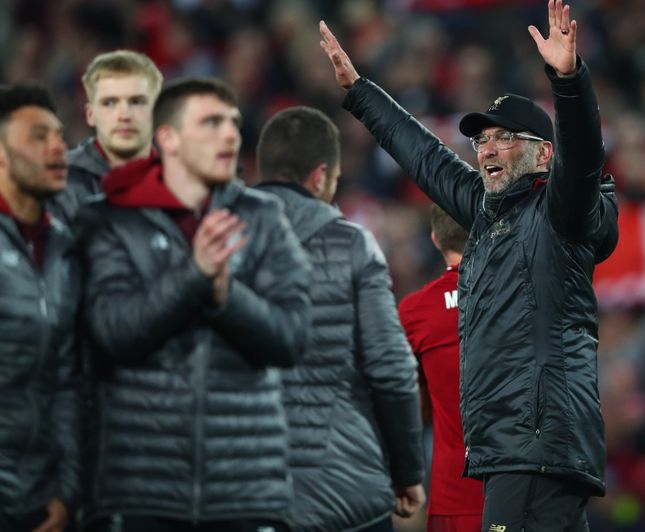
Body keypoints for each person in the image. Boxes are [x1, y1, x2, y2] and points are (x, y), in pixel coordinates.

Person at [319, 1, 618, 529]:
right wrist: (360, 92)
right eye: (481, 140)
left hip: (534, 445)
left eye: (505, 137)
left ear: (544, 154)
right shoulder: (487, 211)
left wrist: (568, 81)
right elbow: (425, 157)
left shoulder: (562, 211)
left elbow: (583, 156)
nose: (488, 149)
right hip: (522, 448)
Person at [78, 77, 313, 532]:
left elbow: (293, 338)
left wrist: (227, 296)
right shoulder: (110, 220)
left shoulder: (263, 217)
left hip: (245, 491)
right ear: (168, 138)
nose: (230, 135)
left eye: (233, 123)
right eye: (211, 123)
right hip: (140, 489)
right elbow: (112, 334)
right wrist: (194, 276)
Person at [255, 106, 426, 532]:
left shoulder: (217, 240)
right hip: (344, 492)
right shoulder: (353, 245)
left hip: (244, 490)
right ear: (320, 177)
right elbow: (391, 370)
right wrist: (406, 471)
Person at [0, 84, 78, 532]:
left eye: (59, 136)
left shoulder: (64, 249)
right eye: (38, 136)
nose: (57, 147)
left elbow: (67, 380)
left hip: (39, 503)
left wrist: (66, 492)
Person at [398, 205, 484, 532]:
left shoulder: (415, 311)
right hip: (527, 490)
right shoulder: (521, 293)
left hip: (455, 495)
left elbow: (405, 405)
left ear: (435, 239)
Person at [49, 49, 162, 224]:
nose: (124, 115)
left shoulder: (184, 185)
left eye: (136, 102)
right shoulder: (57, 181)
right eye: (109, 103)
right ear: (90, 115)